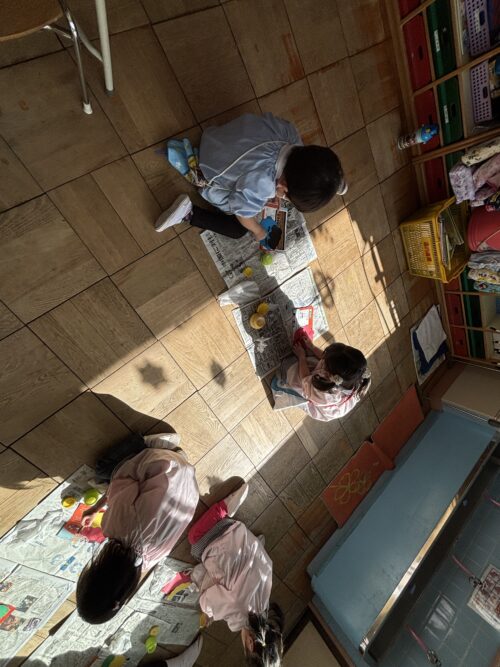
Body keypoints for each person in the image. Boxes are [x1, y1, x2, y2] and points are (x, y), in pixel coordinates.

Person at [155, 112, 346, 242]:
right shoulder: (263, 184)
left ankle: (331, 177)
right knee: (238, 230)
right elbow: (243, 214)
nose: (282, 197)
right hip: (207, 172)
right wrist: (259, 231)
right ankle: (188, 213)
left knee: (313, 177)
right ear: (283, 187)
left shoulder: (289, 132)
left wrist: (319, 177)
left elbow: (300, 161)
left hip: (217, 138)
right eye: (286, 196)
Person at [76, 432, 199, 624]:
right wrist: (97, 508)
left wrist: (97, 509)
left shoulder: (148, 562)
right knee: (103, 470)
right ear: (95, 574)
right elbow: (122, 483)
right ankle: (157, 444)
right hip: (169, 466)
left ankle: (176, 456)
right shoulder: (115, 529)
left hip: (189, 485)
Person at [186, 482, 284, 666]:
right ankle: (224, 508)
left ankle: (247, 539)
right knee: (194, 542)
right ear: (250, 644)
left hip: (246, 539)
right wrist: (209, 613)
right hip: (221, 536)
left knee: (235, 578)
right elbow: (207, 600)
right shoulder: (236, 615)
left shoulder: (263, 607)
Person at [271, 337, 371, 422]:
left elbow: (304, 378)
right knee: (313, 362)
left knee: (290, 372)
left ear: (329, 374)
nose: (323, 358)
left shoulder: (324, 394)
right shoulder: (357, 375)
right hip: (333, 392)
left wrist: (301, 356)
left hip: (322, 407)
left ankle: (282, 388)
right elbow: (326, 357)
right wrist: (312, 347)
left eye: (325, 362)